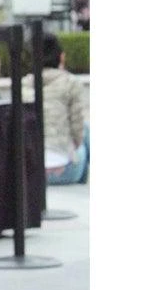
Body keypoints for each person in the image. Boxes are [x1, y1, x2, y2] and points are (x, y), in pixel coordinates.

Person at [23, 32, 89, 185]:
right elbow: (78, 132)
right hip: (65, 170)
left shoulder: (23, 85)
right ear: (61, 57)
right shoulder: (71, 83)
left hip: (32, 171)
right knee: (86, 131)